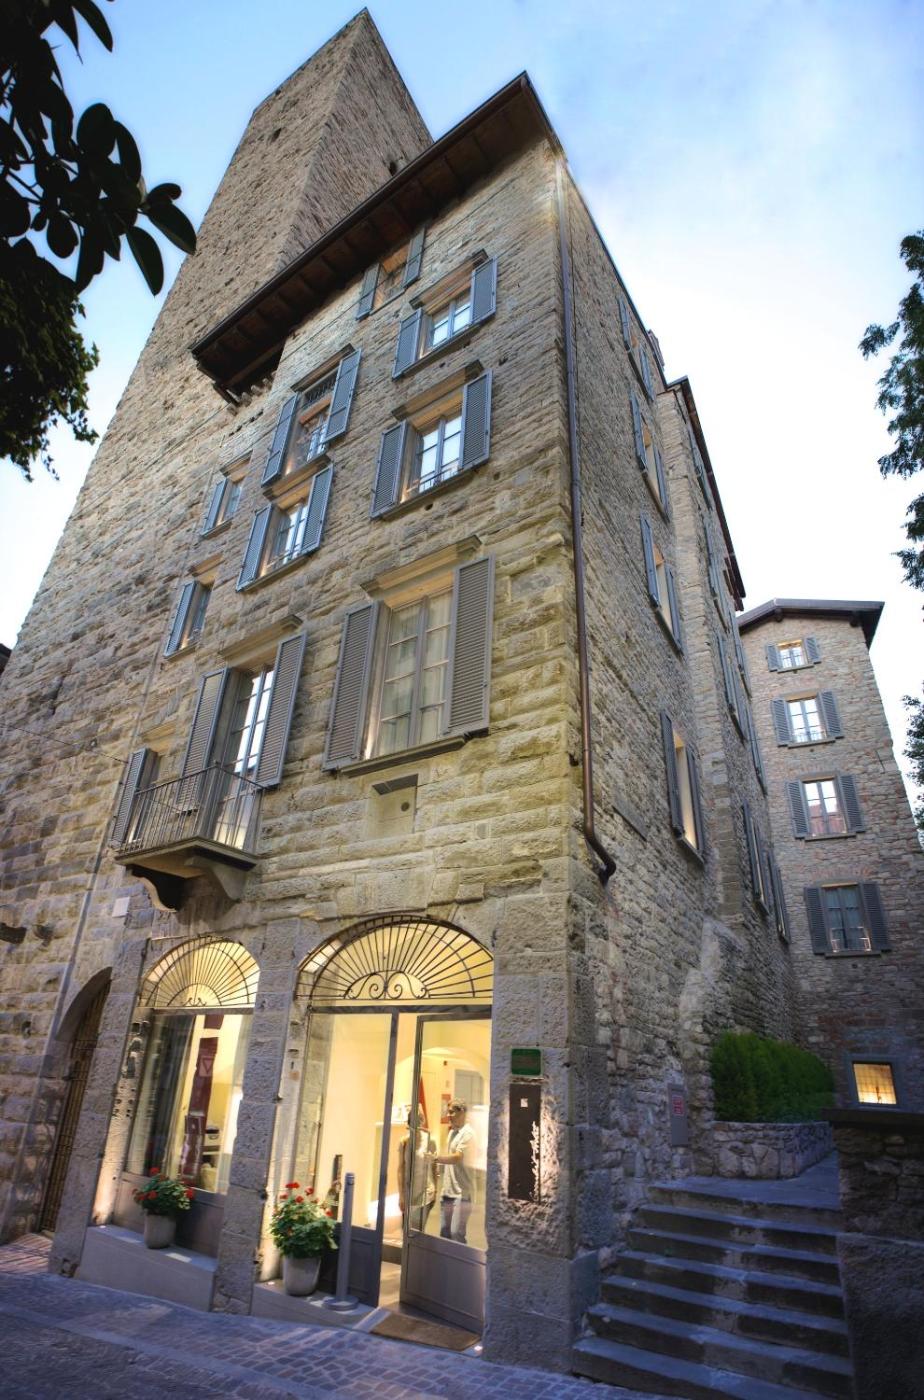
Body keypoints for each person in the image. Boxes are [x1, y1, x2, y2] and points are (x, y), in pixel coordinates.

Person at [433, 1099, 475, 1244]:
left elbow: (457, 1157)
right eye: (448, 1112)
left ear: (461, 1112)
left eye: (451, 1112)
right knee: (444, 1233)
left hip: (462, 1194)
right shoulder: (452, 1133)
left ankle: (462, 1259)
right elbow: (449, 1158)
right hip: (447, 1191)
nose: (448, 1115)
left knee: (456, 1234)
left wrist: (435, 1158)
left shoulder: (468, 1133)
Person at [397, 1103, 437, 1232]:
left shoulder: (430, 1140)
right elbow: (400, 1169)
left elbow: (434, 1166)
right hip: (409, 1192)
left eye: (419, 1121)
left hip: (425, 1191)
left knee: (417, 1230)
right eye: (413, 1123)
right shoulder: (404, 1142)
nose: (417, 1126)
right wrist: (401, 1195)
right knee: (406, 1230)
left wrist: (435, 1190)